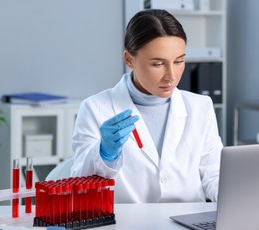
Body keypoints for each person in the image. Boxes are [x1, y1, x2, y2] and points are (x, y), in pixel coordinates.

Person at [71, 9, 223, 203]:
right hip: (127, 227)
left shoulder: (201, 106)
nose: (172, 76)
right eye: (158, 64)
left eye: (179, 61)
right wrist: (104, 155)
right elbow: (79, 185)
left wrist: (236, 199)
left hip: (188, 224)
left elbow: (215, 174)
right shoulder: (96, 108)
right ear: (129, 59)